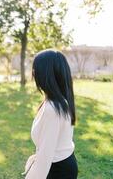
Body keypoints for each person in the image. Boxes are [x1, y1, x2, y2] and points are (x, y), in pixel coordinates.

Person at [23, 49, 78, 179]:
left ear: (46, 74)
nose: (33, 73)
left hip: (58, 170)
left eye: (35, 69)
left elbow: (45, 157)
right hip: (61, 165)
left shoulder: (53, 108)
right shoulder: (56, 101)